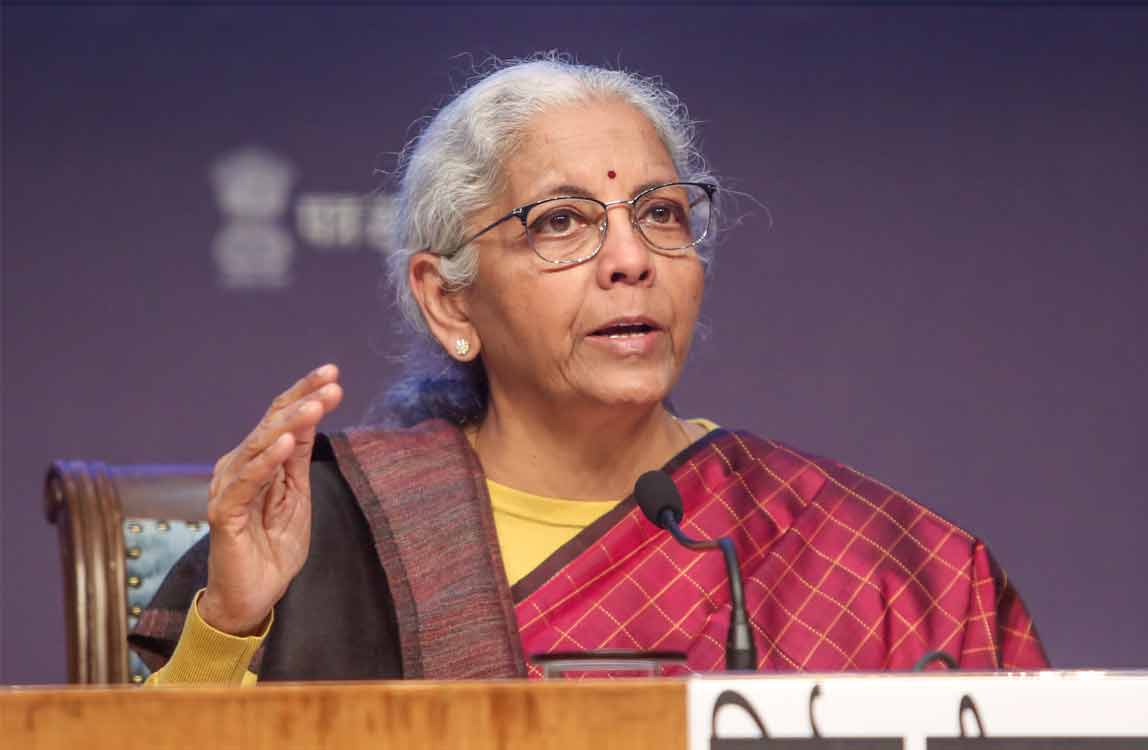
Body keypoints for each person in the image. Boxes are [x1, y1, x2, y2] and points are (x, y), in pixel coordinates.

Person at [130, 55, 1048, 684]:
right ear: (448, 301)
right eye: (561, 222)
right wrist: (232, 624)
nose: (631, 259)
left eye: (661, 213)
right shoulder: (330, 538)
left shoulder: (872, 563)